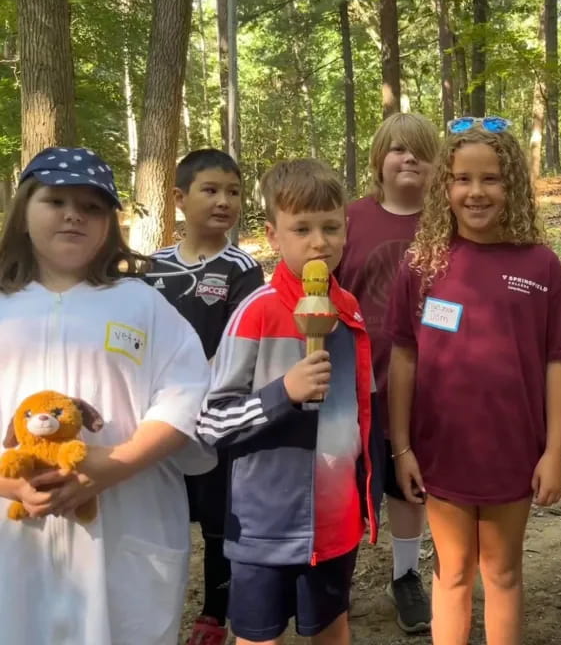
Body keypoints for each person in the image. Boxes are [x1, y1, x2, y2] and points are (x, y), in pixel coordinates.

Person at [0, 147, 214, 644]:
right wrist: (9, 483)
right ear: (24, 211)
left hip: (123, 523)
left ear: (109, 224)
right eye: (56, 200)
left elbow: (185, 392)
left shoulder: (141, 305)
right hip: (14, 531)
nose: (74, 214)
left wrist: (114, 463)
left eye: (92, 206)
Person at [387, 116, 561, 645]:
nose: (476, 192)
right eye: (462, 179)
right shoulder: (421, 264)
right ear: (443, 186)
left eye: (490, 178)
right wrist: (402, 449)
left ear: (511, 184)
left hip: (513, 451)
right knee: (452, 573)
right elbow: (403, 356)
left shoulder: (539, 266)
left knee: (503, 572)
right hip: (441, 451)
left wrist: (554, 452)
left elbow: (558, 360)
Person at [195, 158, 382, 645]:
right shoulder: (255, 311)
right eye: (301, 228)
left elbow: (363, 410)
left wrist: (369, 490)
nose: (319, 242)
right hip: (265, 524)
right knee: (258, 637)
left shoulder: (350, 309)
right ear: (274, 235)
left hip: (335, 520)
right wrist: (283, 393)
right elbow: (210, 423)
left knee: (332, 627)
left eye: (331, 227)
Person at [144, 148, 265, 645]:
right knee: (162, 516)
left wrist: (198, 399)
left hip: (217, 422)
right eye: (211, 190)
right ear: (178, 198)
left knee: (218, 521)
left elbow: (238, 349)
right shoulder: (150, 270)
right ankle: (155, 605)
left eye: (234, 192)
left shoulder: (243, 269)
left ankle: (214, 615)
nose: (224, 202)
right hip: (158, 422)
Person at [335, 112, 440, 633]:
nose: (409, 159)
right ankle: (337, 577)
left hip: (425, 385)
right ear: (378, 159)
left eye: (420, 151)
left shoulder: (448, 221)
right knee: (348, 484)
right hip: (354, 383)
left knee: (407, 486)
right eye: (398, 149)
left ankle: (405, 576)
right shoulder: (349, 219)